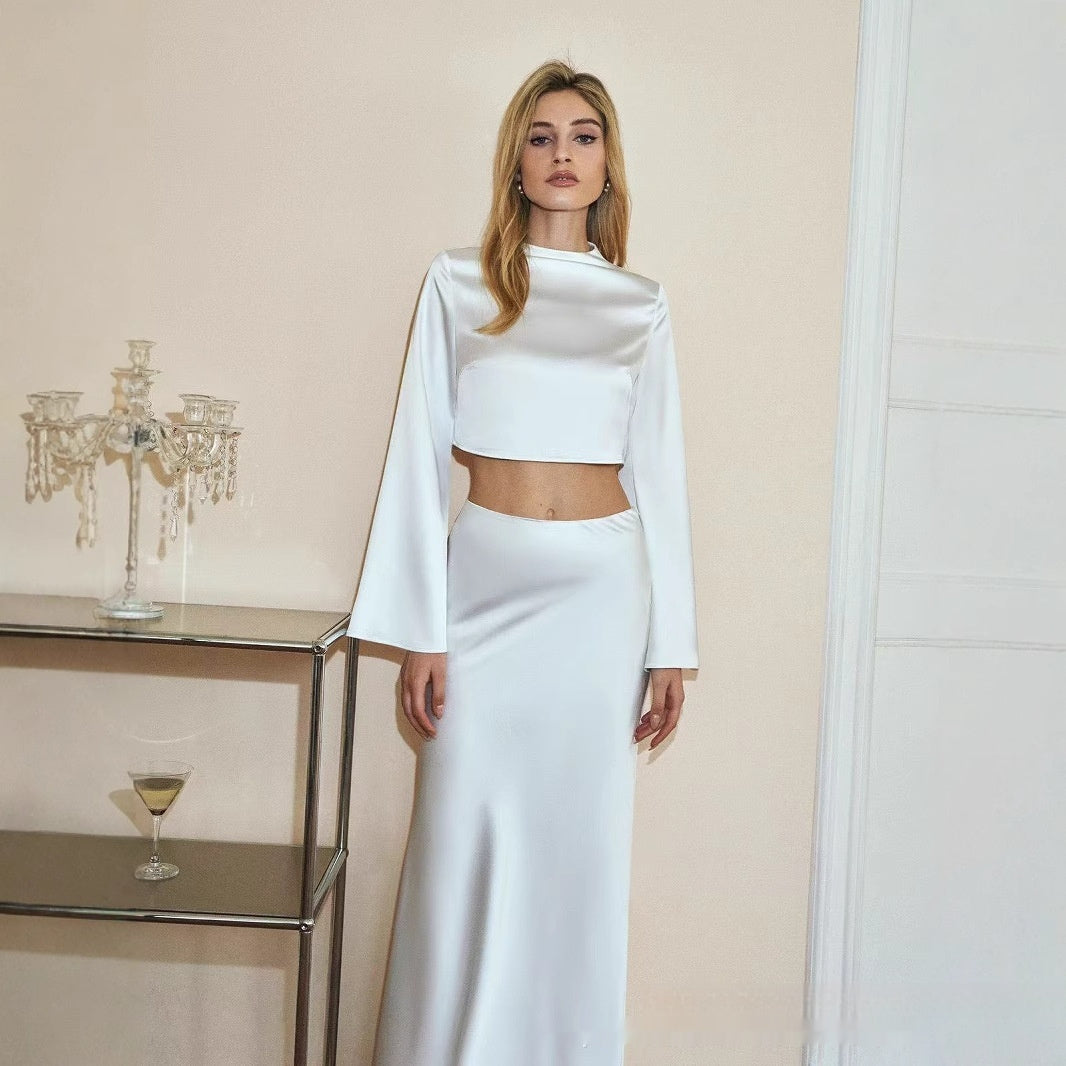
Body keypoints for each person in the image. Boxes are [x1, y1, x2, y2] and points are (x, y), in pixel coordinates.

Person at [347, 58, 699, 1066]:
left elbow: (661, 469)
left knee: (573, 856)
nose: (562, 153)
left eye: (583, 137)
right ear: (516, 161)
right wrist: (420, 625)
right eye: (542, 136)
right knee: (458, 846)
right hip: (486, 584)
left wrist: (671, 641)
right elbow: (418, 452)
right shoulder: (459, 283)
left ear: (606, 166)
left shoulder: (639, 302)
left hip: (599, 596)